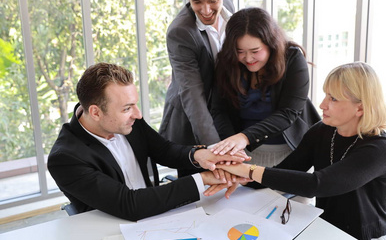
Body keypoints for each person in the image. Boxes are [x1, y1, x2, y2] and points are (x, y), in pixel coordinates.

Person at [211, 62, 386, 240]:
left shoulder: (380, 148)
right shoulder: (323, 131)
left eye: (333, 99)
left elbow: (316, 184)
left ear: (360, 108)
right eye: (326, 95)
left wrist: (247, 170)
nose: (322, 105)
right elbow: (287, 170)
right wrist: (242, 177)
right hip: (324, 227)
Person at [48, 63, 248, 221]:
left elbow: (164, 150)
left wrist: (200, 156)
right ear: (95, 112)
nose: (138, 114)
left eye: (135, 104)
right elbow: (129, 204)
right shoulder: (65, 158)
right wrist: (202, 179)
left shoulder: (126, 121)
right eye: (127, 108)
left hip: (158, 213)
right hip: (114, 228)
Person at [210, 7, 320, 167]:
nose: (248, 58)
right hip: (243, 153)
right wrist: (232, 146)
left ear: (271, 43)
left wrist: (244, 137)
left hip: (290, 151)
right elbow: (219, 110)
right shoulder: (227, 62)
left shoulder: (292, 59)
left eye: (255, 51)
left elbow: (287, 113)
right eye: (240, 51)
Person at [159, 0, 235, 177]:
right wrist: (216, 151)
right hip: (191, 124)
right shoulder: (180, 32)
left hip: (224, 114)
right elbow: (193, 96)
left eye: (212, 0)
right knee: (196, 199)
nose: (205, 9)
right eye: (196, 1)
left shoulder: (229, 8)